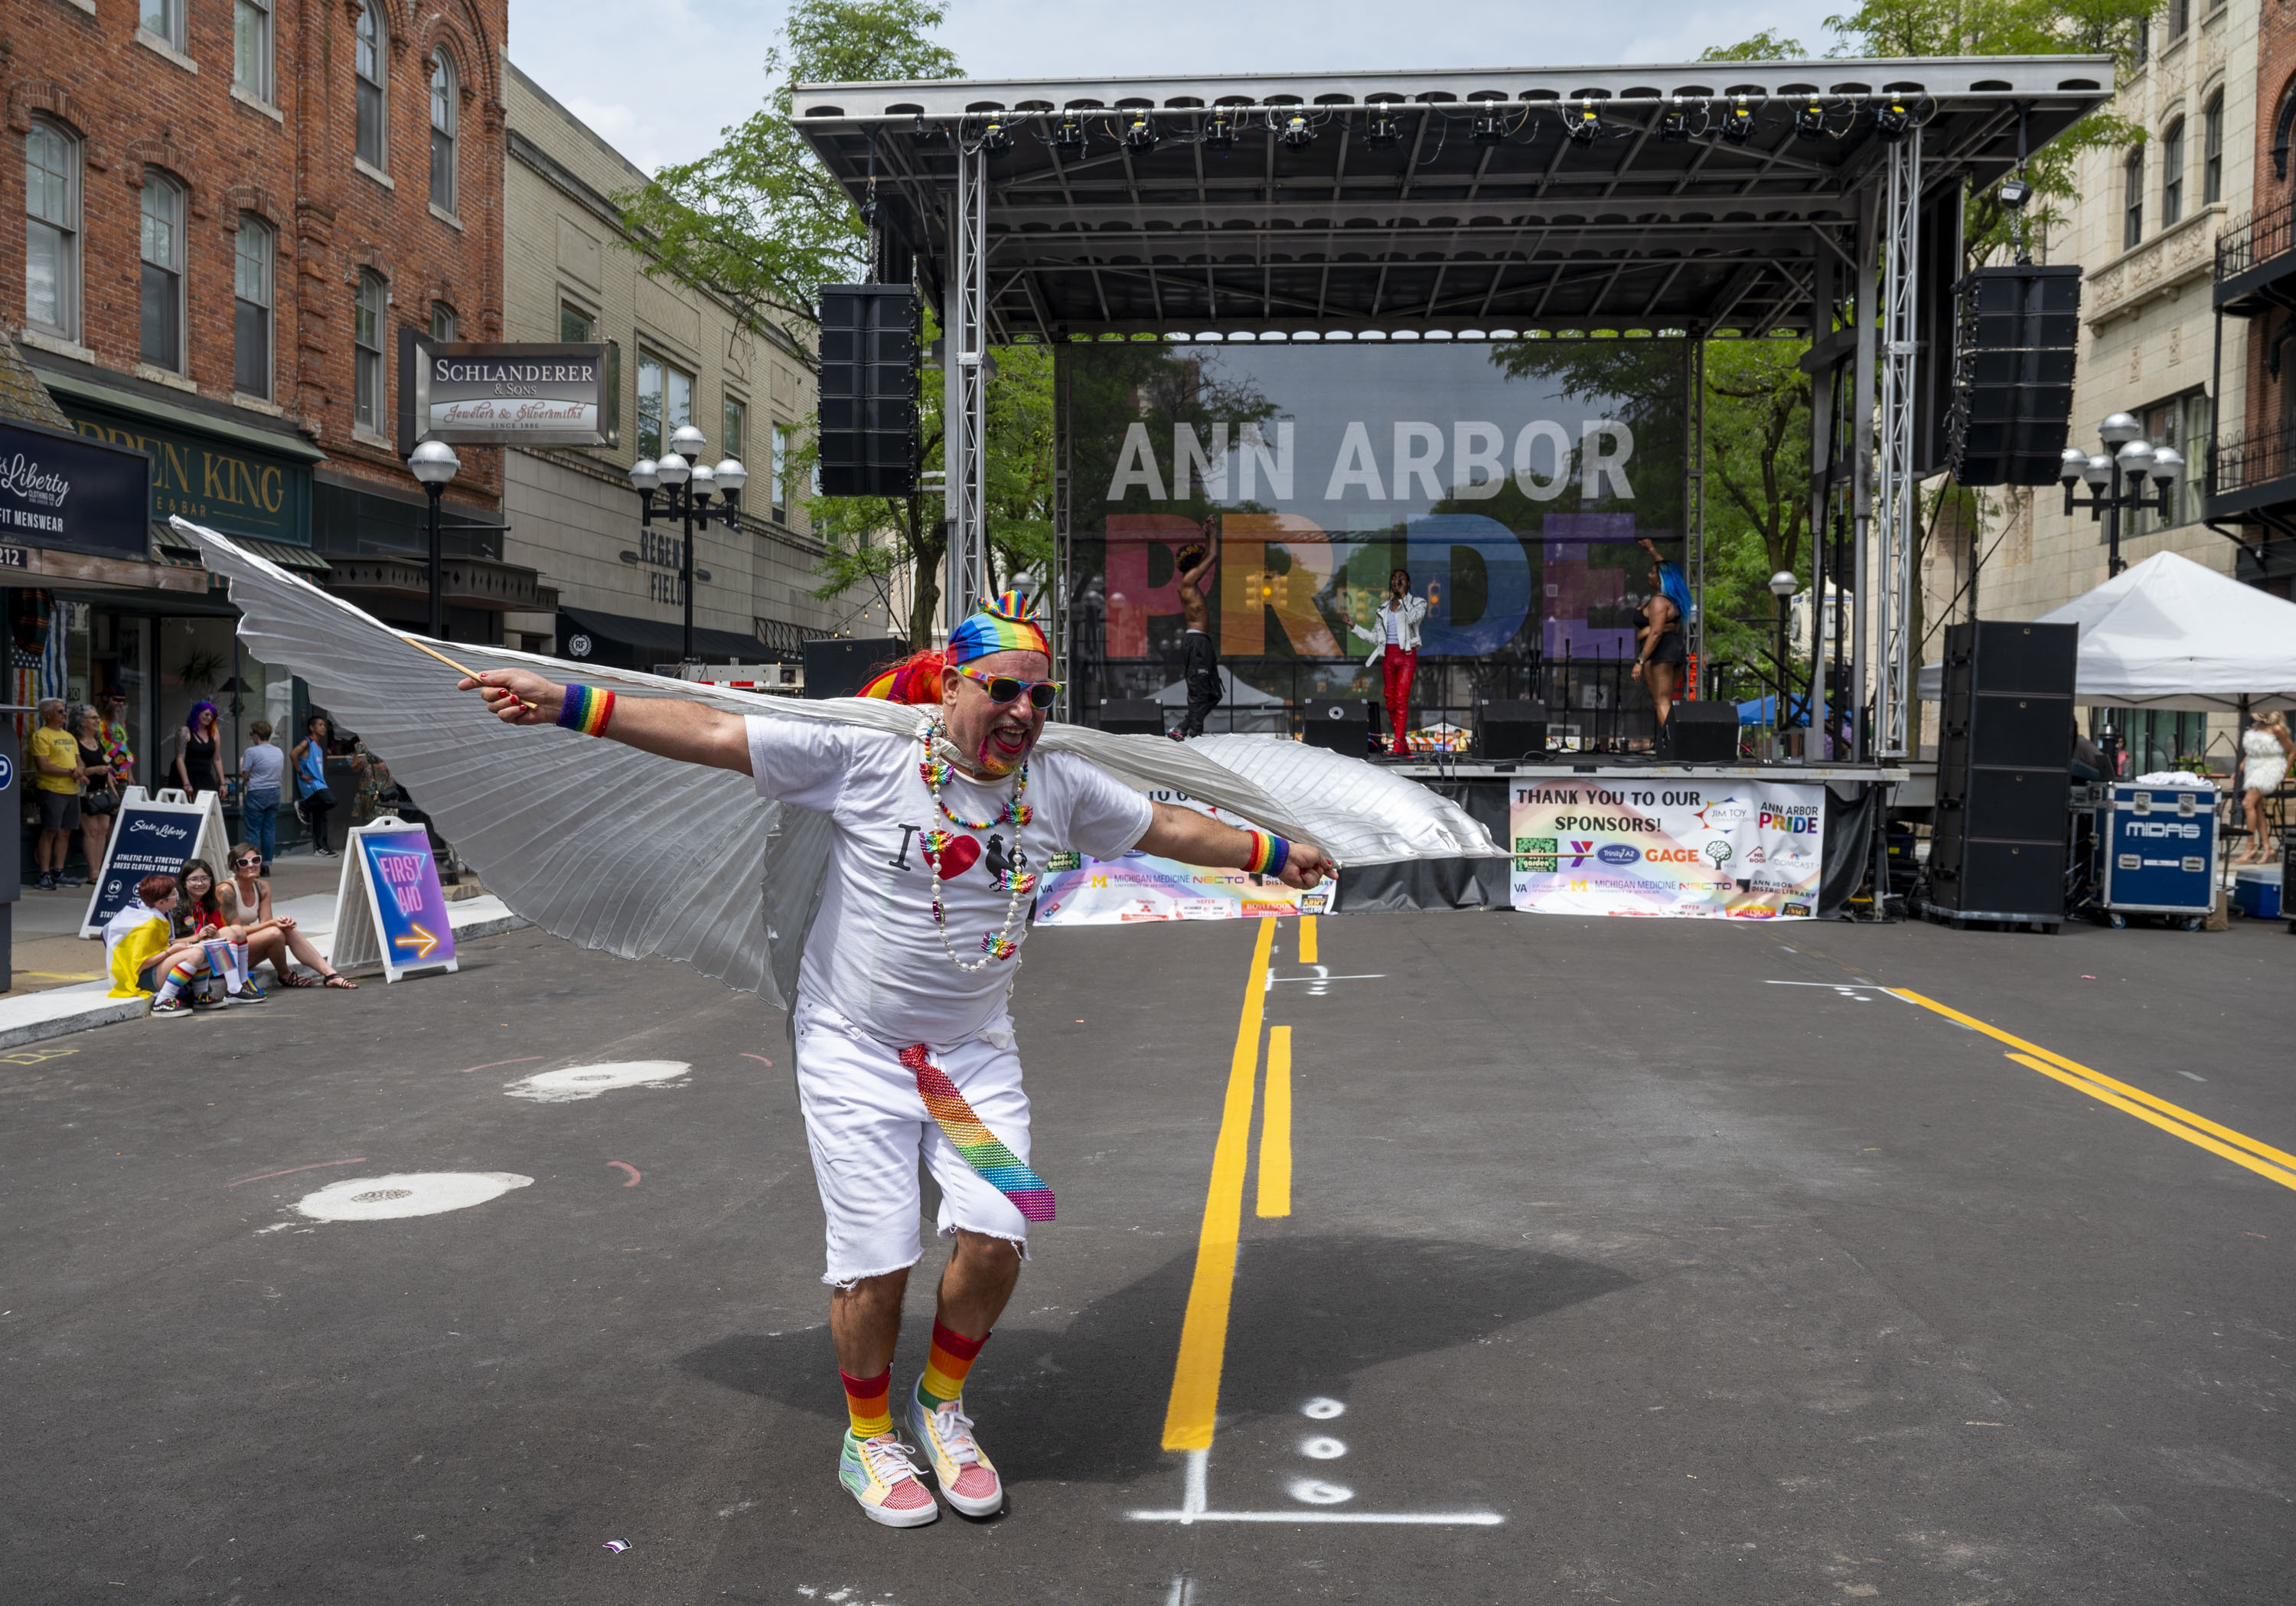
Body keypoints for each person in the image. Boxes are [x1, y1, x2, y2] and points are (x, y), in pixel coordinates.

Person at [457, 592, 1333, 1529]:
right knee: (877, 1262)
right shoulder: (868, 756)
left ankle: (941, 1404)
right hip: (854, 1055)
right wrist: (566, 703)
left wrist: (1271, 850)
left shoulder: (1058, 786)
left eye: (1040, 698)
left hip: (971, 1064)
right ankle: (868, 1435)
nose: (1025, 715)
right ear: (951, 686)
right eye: (1003, 692)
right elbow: (712, 729)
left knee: (1004, 1228)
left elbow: (1162, 828)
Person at [219, 843, 355, 987]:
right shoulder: (226, 890)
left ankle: (330, 974)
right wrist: (273, 924)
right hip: (224, 956)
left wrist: (280, 922)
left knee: (284, 929)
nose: (251, 865)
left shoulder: (262, 887)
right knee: (274, 933)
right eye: (244, 862)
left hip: (244, 950)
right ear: (234, 866)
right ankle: (285, 974)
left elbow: (265, 923)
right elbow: (236, 931)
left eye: (256, 860)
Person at [103, 873, 215, 1019]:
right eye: (173, 894)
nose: (177, 895)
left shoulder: (155, 914)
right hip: (141, 978)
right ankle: (162, 1000)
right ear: (161, 902)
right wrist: (170, 952)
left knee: (203, 948)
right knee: (196, 954)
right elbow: (140, 965)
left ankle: (200, 995)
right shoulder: (150, 925)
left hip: (152, 971)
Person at [1351, 568, 1428, 756]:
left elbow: (1413, 619)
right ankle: (1402, 745)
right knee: (1391, 702)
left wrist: (1403, 599)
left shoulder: (1418, 603)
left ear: (1408, 584)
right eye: (1394, 578)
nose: (1396, 581)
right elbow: (1374, 638)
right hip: (1388, 656)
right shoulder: (1383, 608)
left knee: (1401, 699)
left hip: (1406, 655)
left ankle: (1396, 747)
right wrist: (1354, 627)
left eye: (1401, 578)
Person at [1632, 537, 1692, 745]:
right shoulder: (1672, 600)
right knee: (1663, 699)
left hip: (1661, 651)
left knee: (1662, 700)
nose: (1649, 575)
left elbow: (1656, 633)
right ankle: (1671, 742)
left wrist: (1640, 661)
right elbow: (1669, 570)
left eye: (1652, 572)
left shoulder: (1659, 602)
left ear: (1659, 579)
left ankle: (1675, 744)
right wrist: (1652, 550)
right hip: (1672, 650)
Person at [28, 697, 83, 890]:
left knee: (65, 832)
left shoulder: (69, 737)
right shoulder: (41, 736)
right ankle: (44, 874)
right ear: (47, 714)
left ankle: (58, 872)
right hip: (52, 790)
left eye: (64, 710)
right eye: (60, 711)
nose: (64, 714)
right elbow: (43, 765)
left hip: (71, 790)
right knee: (50, 831)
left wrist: (79, 769)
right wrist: (72, 772)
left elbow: (79, 760)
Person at [1172, 527, 1221, 738]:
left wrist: (1206, 535)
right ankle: (1193, 732)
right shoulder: (1187, 581)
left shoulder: (1192, 582)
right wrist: (1212, 533)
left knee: (1213, 693)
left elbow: (1207, 556)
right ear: (1193, 564)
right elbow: (1212, 556)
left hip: (1203, 642)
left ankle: (1183, 727)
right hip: (1196, 642)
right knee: (1199, 690)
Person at [2236, 710, 2294, 864]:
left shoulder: (2277, 729)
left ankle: (2250, 846)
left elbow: (2292, 751)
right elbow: (2252, 751)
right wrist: (2240, 768)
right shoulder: (2255, 726)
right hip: (2254, 767)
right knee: (2257, 808)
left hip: (2270, 768)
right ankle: (2268, 848)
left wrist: (2284, 773)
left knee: (2247, 804)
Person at [74, 704, 119, 888]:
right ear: (82, 721)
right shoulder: (75, 742)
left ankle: (99, 871)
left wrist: (115, 795)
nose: (97, 721)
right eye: (93, 718)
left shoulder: (99, 742)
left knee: (103, 831)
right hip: (87, 792)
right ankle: (92, 872)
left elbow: (108, 770)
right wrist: (96, 770)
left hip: (103, 792)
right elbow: (77, 769)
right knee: (91, 831)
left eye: (97, 718)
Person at [239, 720, 286, 873]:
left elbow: (245, 775)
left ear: (257, 735)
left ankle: (255, 864)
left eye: (252, 734)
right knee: (269, 829)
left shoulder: (251, 752)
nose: (252, 737)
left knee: (253, 830)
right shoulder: (278, 751)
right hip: (275, 791)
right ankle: (266, 864)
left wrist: (242, 765)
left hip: (257, 792)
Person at [292, 713, 338, 857]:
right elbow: (293, 754)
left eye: (324, 725)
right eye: (320, 725)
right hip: (311, 784)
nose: (324, 728)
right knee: (331, 801)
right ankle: (303, 806)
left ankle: (321, 848)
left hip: (319, 783)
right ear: (311, 728)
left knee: (321, 817)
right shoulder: (307, 742)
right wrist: (300, 773)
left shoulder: (318, 746)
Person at [174, 699, 223, 796]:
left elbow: (217, 759)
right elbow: (180, 758)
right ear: (197, 713)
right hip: (188, 777)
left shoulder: (214, 733)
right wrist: (186, 783)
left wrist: (223, 783)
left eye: (212, 716)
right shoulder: (185, 731)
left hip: (206, 778)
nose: (209, 718)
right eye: (207, 714)